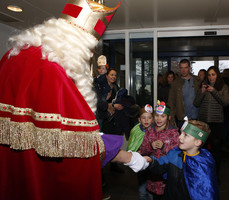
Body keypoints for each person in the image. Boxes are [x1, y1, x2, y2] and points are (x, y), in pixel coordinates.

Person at [0, 1, 150, 200]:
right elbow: (78, 147)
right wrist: (127, 157)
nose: (89, 55)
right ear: (71, 41)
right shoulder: (52, 71)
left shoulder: (14, 55)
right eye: (88, 48)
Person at [143, 119, 219, 200]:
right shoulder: (174, 154)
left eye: (185, 135)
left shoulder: (203, 164)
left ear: (197, 142)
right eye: (181, 133)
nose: (179, 137)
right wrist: (151, 161)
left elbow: (206, 193)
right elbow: (159, 165)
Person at [193, 66, 229, 178]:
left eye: (213, 74)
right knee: (201, 149)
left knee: (216, 150)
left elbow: (225, 102)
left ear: (217, 75)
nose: (211, 77)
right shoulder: (203, 86)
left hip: (217, 122)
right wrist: (202, 92)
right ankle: (203, 173)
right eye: (209, 75)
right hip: (203, 123)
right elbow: (196, 103)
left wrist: (214, 91)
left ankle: (215, 175)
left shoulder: (223, 87)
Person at [139, 101, 179, 199]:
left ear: (168, 117)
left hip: (167, 177)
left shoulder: (174, 133)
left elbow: (178, 154)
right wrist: (151, 146)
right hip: (152, 176)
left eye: (163, 116)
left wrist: (164, 147)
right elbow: (143, 150)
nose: (159, 119)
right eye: (157, 115)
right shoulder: (150, 130)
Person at [127, 104, 154, 200]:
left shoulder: (156, 131)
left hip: (152, 164)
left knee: (152, 189)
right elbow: (132, 146)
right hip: (141, 163)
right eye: (144, 118)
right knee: (142, 187)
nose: (146, 120)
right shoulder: (136, 131)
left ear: (153, 119)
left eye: (149, 118)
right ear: (139, 120)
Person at [168, 59, 201, 128]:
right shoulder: (175, 83)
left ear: (189, 68)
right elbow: (171, 102)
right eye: (181, 68)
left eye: (185, 68)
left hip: (197, 118)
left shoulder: (197, 80)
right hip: (182, 119)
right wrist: (172, 120)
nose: (183, 70)